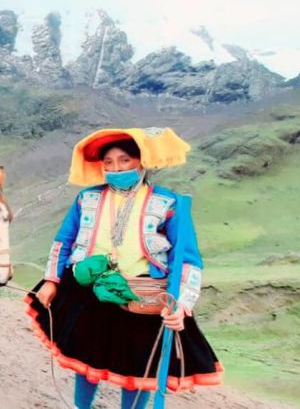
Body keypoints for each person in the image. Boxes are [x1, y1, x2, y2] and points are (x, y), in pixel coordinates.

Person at [26, 128, 222, 409]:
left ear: (140, 162)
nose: (115, 168)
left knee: (137, 370)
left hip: (141, 297)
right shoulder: (87, 199)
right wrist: (51, 280)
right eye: (108, 163)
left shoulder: (167, 203)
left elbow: (187, 258)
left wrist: (183, 303)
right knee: (86, 359)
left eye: (124, 160)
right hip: (89, 292)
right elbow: (64, 241)